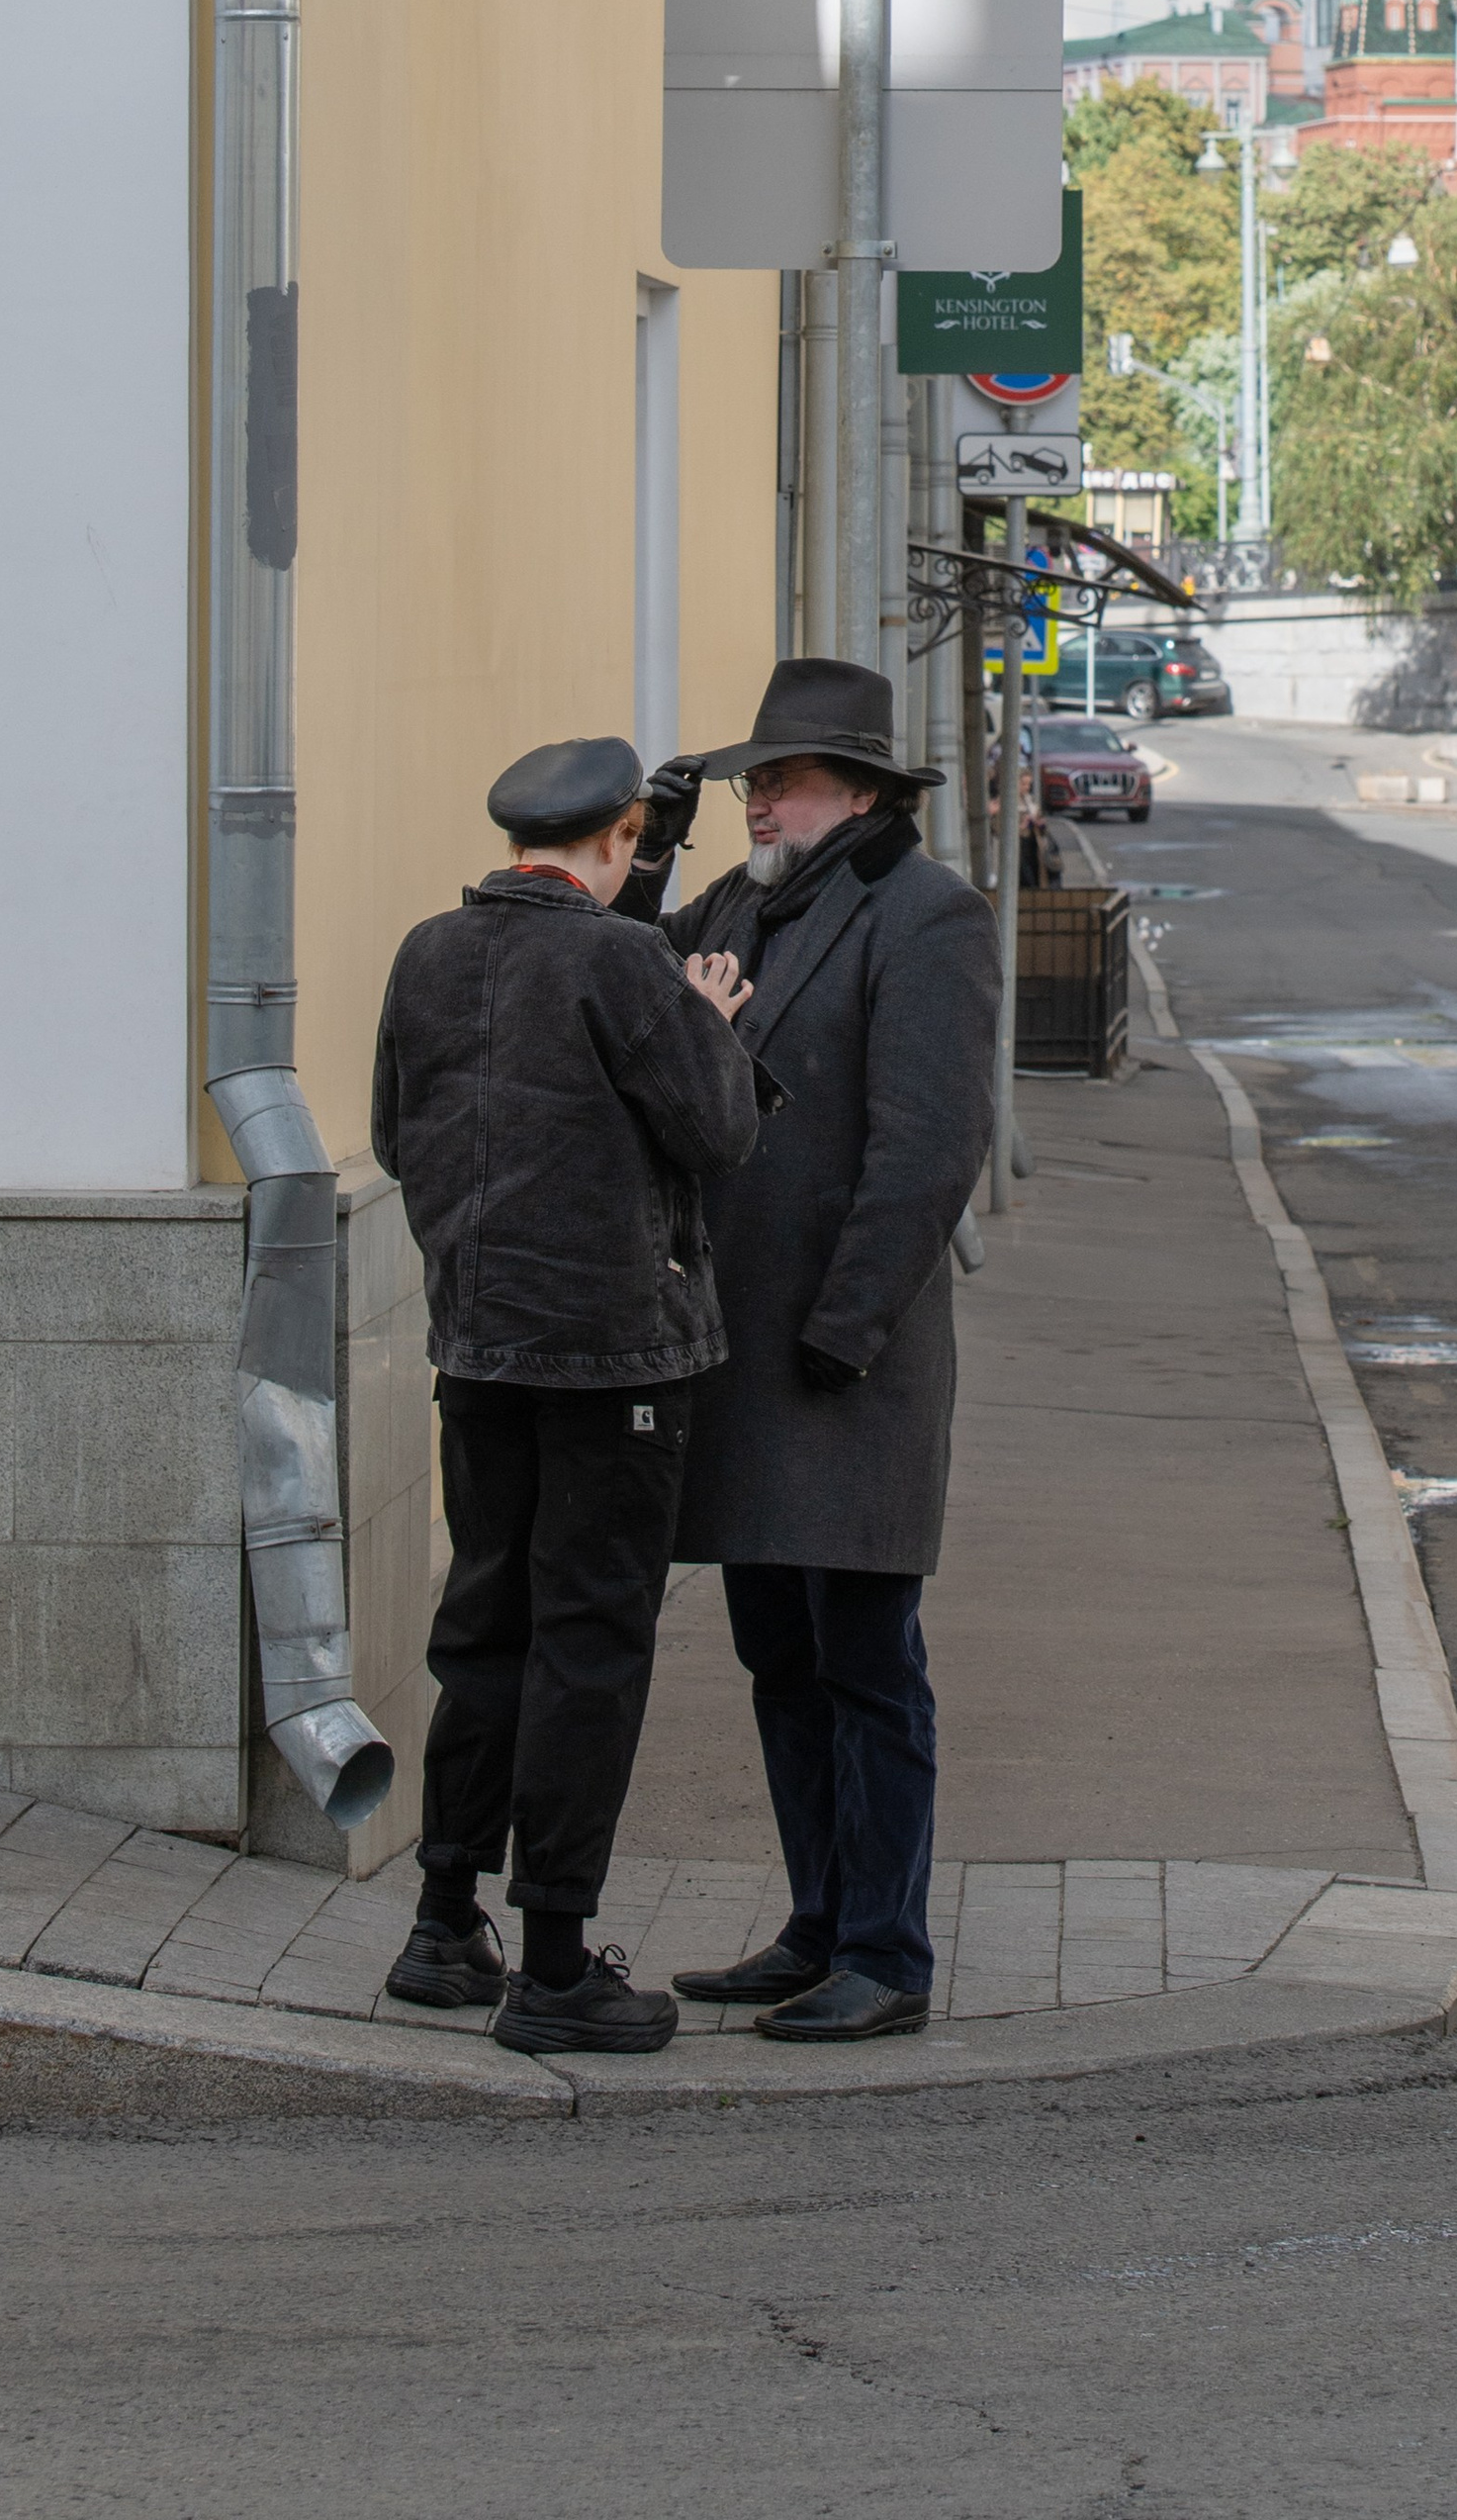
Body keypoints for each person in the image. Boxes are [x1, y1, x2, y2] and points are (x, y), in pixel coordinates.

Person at [373, 736, 774, 2058]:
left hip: (478, 1345)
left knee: (483, 1626)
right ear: (616, 837)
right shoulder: (623, 961)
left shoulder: (431, 951)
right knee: (589, 1646)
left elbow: (392, 1133)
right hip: (616, 1360)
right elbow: (717, 1135)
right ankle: (553, 1960)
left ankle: (442, 1925)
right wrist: (712, 1021)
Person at [626, 659, 1000, 2040]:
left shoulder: (926, 917)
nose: (753, 802)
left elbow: (926, 1151)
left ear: (858, 791)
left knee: (866, 1663)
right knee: (779, 1659)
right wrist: (652, 853)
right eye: (744, 784)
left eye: (774, 781)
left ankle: (886, 1951)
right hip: (740, 1354)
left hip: (846, 1363)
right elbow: (622, 985)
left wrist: (842, 1332)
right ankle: (814, 1922)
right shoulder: (736, 903)